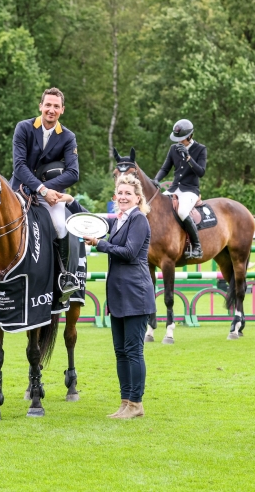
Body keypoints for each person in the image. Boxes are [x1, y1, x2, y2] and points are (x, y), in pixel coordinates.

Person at [60, 174, 155, 419]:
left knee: (134, 351)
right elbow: (92, 222)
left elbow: (130, 252)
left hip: (136, 295)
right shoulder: (120, 220)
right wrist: (71, 202)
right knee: (121, 352)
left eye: (128, 194)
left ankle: (136, 403)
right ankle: (126, 402)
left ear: (137, 197)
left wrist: (100, 244)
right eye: (119, 193)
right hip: (119, 296)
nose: (123, 197)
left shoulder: (138, 220)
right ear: (115, 197)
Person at [10, 87, 80, 301]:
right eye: (47, 105)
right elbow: (19, 165)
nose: (51, 110)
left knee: (60, 225)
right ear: (41, 106)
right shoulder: (24, 128)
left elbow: (73, 173)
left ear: (62, 110)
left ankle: (65, 277)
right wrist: (41, 189)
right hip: (21, 189)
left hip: (52, 195)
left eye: (56, 106)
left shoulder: (68, 137)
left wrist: (48, 190)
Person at [153, 118, 207, 259]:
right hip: (174, 188)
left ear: (190, 136)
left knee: (182, 211)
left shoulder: (200, 149)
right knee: (157, 206)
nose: (179, 141)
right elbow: (165, 168)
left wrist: (189, 157)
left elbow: (201, 172)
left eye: (182, 138)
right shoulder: (173, 149)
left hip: (190, 190)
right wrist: (157, 179)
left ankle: (197, 247)